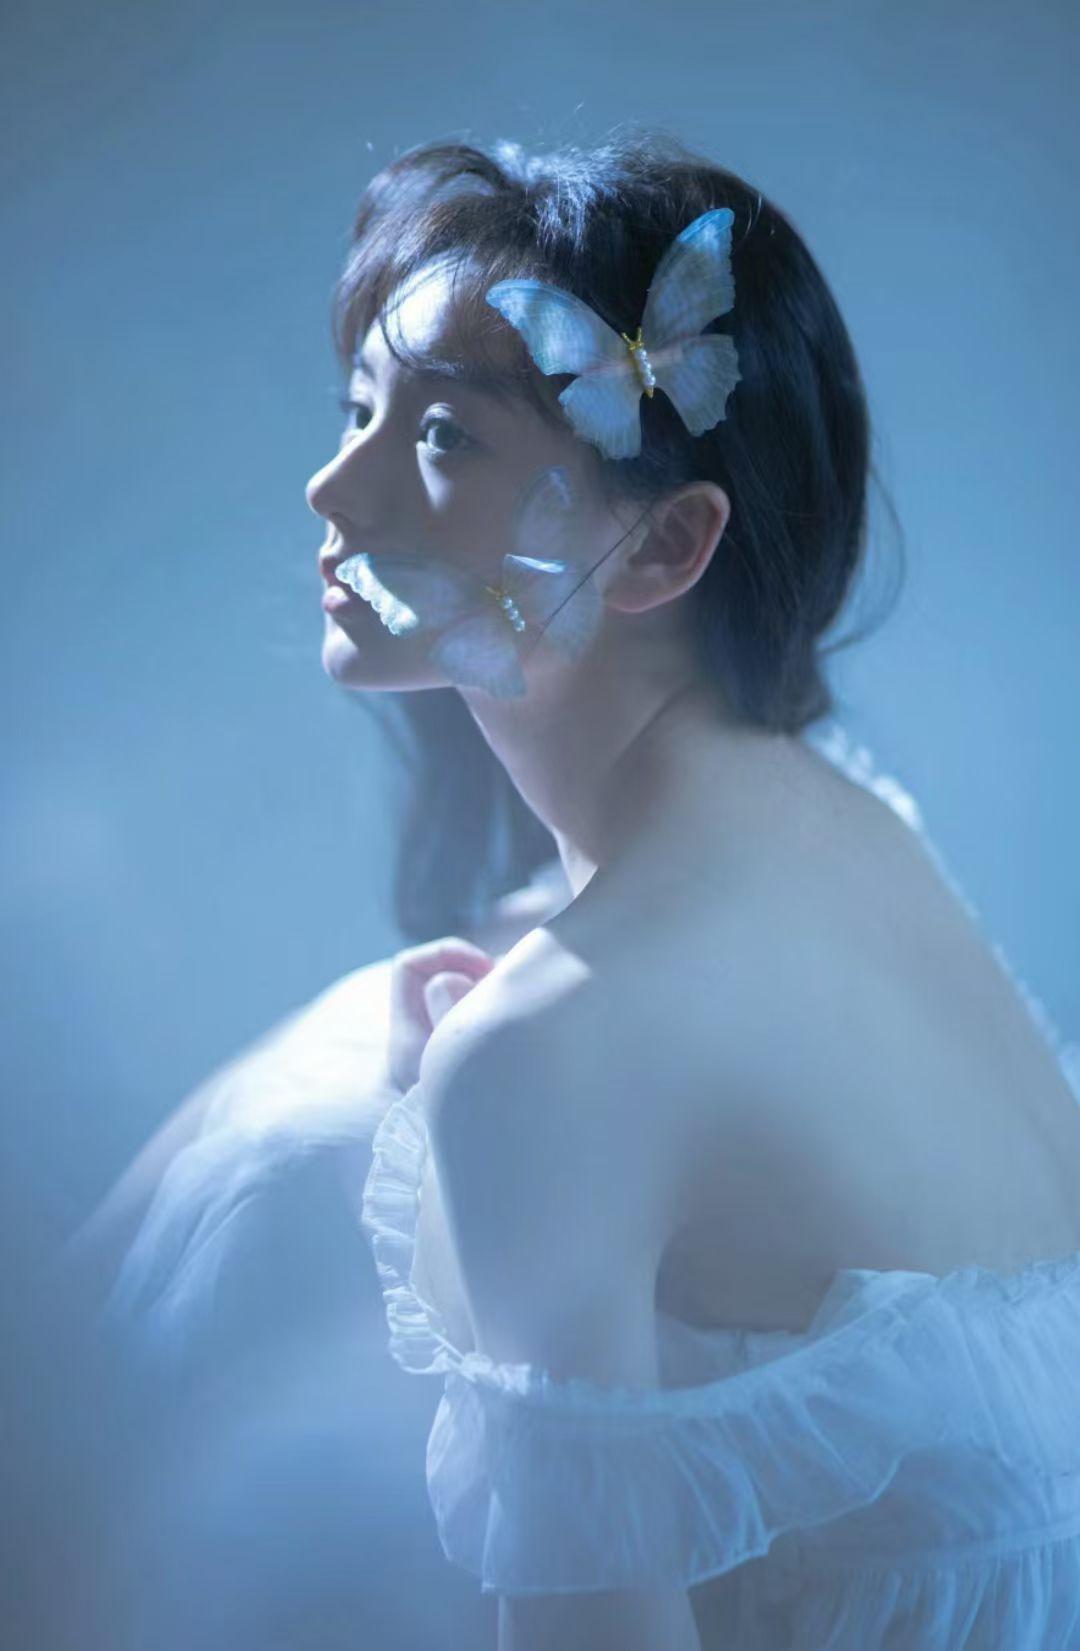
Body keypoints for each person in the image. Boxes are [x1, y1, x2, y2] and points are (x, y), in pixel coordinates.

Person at [313, 128, 1080, 1650]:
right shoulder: (841, 814)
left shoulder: (556, 1052)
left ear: (665, 543)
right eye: (358, 409)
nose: (336, 488)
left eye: (444, 438)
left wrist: (513, 1096)